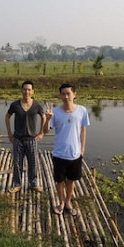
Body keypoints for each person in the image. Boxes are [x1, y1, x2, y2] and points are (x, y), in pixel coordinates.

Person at [42, 82, 89, 216]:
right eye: (63, 94)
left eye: (68, 93)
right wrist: (47, 119)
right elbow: (45, 131)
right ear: (60, 95)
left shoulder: (82, 111)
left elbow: (83, 130)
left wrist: (82, 148)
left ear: (74, 94)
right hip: (59, 153)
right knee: (59, 181)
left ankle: (68, 202)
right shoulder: (55, 112)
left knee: (71, 180)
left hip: (75, 154)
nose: (66, 96)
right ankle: (61, 202)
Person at [5, 80, 46, 194]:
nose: (26, 92)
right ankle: (17, 184)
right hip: (18, 139)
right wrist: (9, 133)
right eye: (24, 89)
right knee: (17, 163)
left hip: (32, 139)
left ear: (32, 91)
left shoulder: (37, 105)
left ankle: (33, 183)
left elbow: (43, 117)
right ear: (21, 90)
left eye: (29, 89)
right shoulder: (15, 105)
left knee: (33, 162)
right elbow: (7, 117)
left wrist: (41, 132)